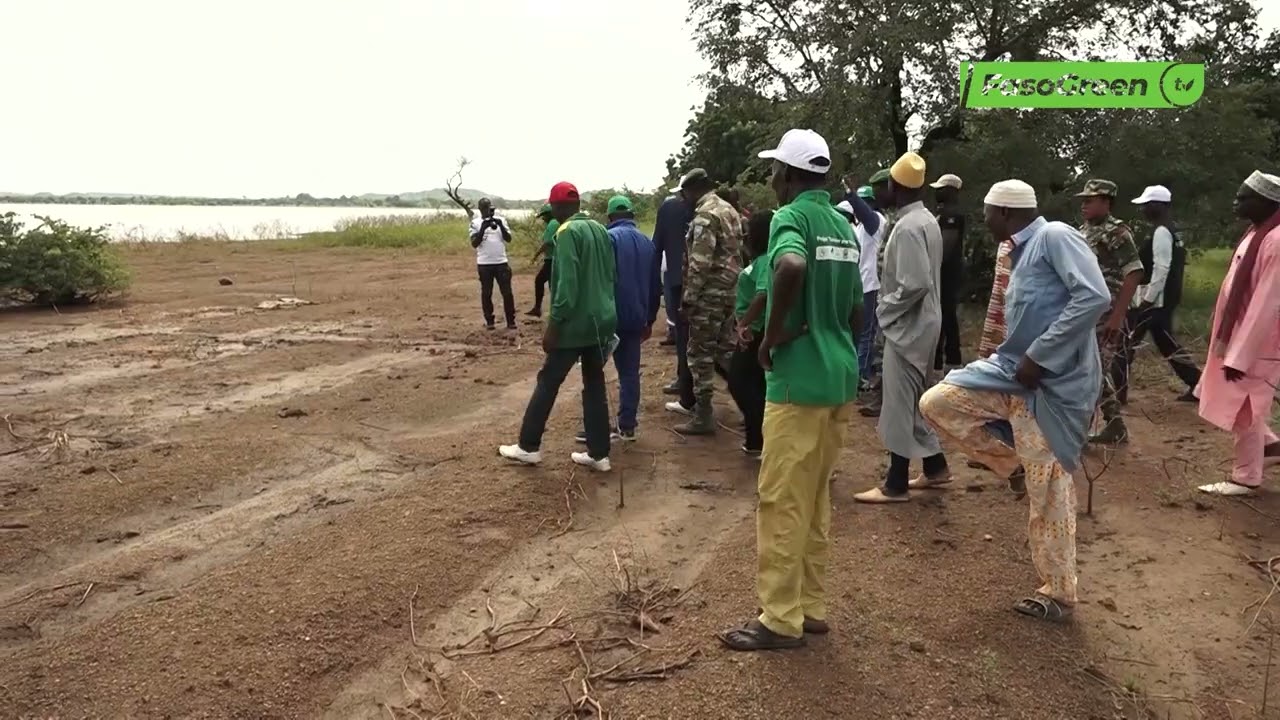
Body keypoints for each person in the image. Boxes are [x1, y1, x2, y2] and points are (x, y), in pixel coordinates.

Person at [919, 179, 1111, 622]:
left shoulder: (1054, 236)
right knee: (939, 402)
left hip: (1054, 384)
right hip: (1013, 372)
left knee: (1050, 490)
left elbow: (1094, 297)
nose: (984, 220)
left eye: (988, 212)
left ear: (1004, 212)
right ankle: (1015, 466)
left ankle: (1059, 593)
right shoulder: (1017, 251)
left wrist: (1041, 355)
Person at [719, 128, 861, 651]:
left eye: (776, 168)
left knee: (781, 499)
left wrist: (772, 334)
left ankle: (779, 619)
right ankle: (810, 606)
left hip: (798, 382)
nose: (772, 177)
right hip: (839, 378)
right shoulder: (843, 226)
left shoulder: (790, 218)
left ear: (790, 174)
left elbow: (792, 264)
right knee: (816, 497)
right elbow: (857, 308)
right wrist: (833, 338)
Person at [499, 182, 617, 472]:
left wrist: (554, 326)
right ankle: (599, 454)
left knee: (549, 380)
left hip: (575, 324)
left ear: (556, 206)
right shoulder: (600, 229)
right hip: (601, 321)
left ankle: (528, 446)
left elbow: (567, 286)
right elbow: (610, 274)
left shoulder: (565, 232)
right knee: (594, 384)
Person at [854, 152, 951, 504]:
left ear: (895, 186)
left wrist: (885, 309)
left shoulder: (909, 227)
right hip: (924, 322)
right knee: (911, 402)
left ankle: (895, 484)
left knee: (898, 402)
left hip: (910, 325)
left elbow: (915, 283)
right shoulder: (925, 220)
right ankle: (935, 467)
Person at [1195, 171, 1280, 496]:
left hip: (1259, 344)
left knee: (1245, 406)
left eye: (1244, 198)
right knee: (1238, 402)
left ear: (1267, 202)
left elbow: (1266, 304)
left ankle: (1246, 477)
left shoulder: (1275, 240)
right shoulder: (1257, 232)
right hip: (1240, 338)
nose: (1236, 202)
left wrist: (1240, 356)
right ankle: (1269, 446)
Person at [574, 196, 660, 442]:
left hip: (608, 316)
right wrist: (650, 319)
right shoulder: (647, 242)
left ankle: (596, 429)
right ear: (631, 215)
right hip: (636, 317)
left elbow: (598, 277)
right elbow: (655, 285)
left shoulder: (607, 238)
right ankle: (627, 426)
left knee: (593, 371)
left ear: (610, 217)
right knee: (630, 373)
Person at [663, 169, 743, 435]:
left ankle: (703, 416)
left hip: (709, 297)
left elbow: (700, 263)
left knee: (700, 355)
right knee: (726, 351)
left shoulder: (705, 216)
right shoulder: (729, 210)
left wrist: (688, 300)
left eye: (684, 193)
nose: (683, 199)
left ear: (693, 190)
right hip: (730, 292)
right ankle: (752, 405)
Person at [1115, 185, 1202, 401]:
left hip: (1155, 300)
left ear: (1159, 206)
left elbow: (1161, 268)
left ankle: (1117, 394)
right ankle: (1198, 386)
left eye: (1146, 205)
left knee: (1124, 343)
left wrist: (1147, 300)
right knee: (1167, 343)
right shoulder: (1173, 231)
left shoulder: (1162, 232)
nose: (1142, 209)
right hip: (1166, 298)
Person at [1077, 179, 1143, 445]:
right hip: (1086, 309)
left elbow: (1134, 272)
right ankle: (1114, 424)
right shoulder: (1083, 230)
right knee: (1090, 366)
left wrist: (1118, 315)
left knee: (1092, 369)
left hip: (1107, 310)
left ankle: (1078, 431)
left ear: (1106, 202)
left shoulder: (1117, 232)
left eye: (1089, 200)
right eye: (1083, 200)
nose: (1084, 205)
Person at [973, 228, 1027, 495]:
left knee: (1014, 397)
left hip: (1018, 336)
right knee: (995, 393)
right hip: (999, 326)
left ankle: (1016, 456)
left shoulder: (1032, 246)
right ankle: (1000, 451)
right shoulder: (1005, 245)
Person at [727, 210, 774, 457]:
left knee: (739, 382)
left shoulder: (766, 261)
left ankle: (759, 437)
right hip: (754, 330)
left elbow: (763, 294)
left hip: (756, 331)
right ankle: (756, 437)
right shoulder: (761, 260)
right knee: (753, 383)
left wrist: (744, 324)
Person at [653, 183, 695, 380]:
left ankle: (685, 382)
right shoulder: (716, 208)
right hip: (710, 283)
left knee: (683, 331)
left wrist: (654, 284)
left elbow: (657, 246)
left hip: (678, 279)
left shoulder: (668, 209)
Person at [931, 173, 965, 372]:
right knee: (944, 314)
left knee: (946, 313)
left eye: (940, 189)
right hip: (943, 272)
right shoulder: (943, 213)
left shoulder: (953, 215)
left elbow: (945, 248)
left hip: (947, 273)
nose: (937, 193)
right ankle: (943, 358)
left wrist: (930, 266)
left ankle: (950, 359)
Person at [469, 198, 517, 330]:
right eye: (485, 208)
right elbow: (474, 244)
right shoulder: (475, 223)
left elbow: (508, 239)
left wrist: (500, 225)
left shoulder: (501, 220)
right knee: (486, 293)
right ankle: (490, 321)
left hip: (501, 262)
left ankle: (511, 321)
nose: (488, 211)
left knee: (507, 293)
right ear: (480, 209)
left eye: (490, 208)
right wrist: (483, 229)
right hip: (484, 263)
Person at [527, 204, 557, 317]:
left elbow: (547, 243)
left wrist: (536, 255)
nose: (543, 218)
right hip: (552, 258)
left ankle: (540, 308)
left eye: (544, 215)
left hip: (552, 259)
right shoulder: (554, 223)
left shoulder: (553, 223)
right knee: (550, 283)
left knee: (541, 281)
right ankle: (540, 308)